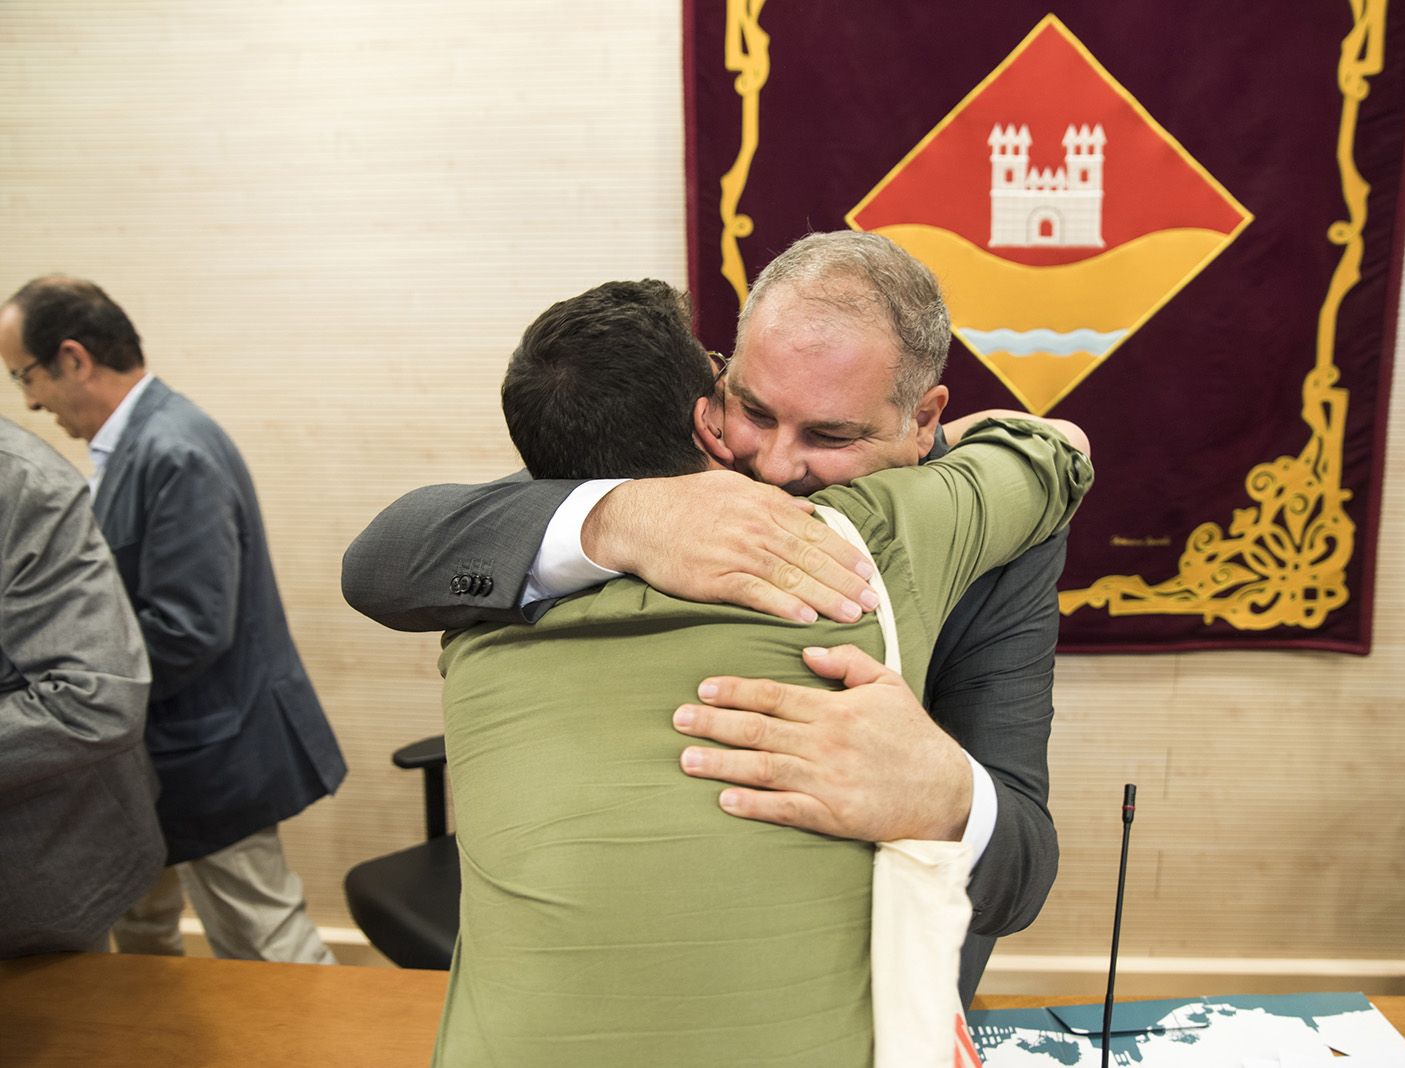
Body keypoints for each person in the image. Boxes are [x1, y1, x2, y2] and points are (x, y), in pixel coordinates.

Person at [344, 231, 1078, 1002]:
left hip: (866, 984)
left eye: (831, 435)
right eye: (754, 410)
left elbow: (1021, 873)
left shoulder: (996, 540)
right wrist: (617, 518)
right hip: (618, 965)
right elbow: (384, 567)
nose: (773, 465)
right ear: (721, 376)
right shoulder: (681, 458)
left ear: (924, 421)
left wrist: (947, 796)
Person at [0, 278, 347, 963]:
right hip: (156, 755)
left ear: (73, 358)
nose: (30, 401)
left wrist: (88, 682)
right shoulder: (131, 446)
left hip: (212, 751)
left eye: (26, 376)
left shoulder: (173, 449)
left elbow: (191, 627)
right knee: (144, 935)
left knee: (269, 947)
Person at [0, 415, 165, 958]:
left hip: (36, 870)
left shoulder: (23, 482)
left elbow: (98, 696)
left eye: (28, 374)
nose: (31, 398)